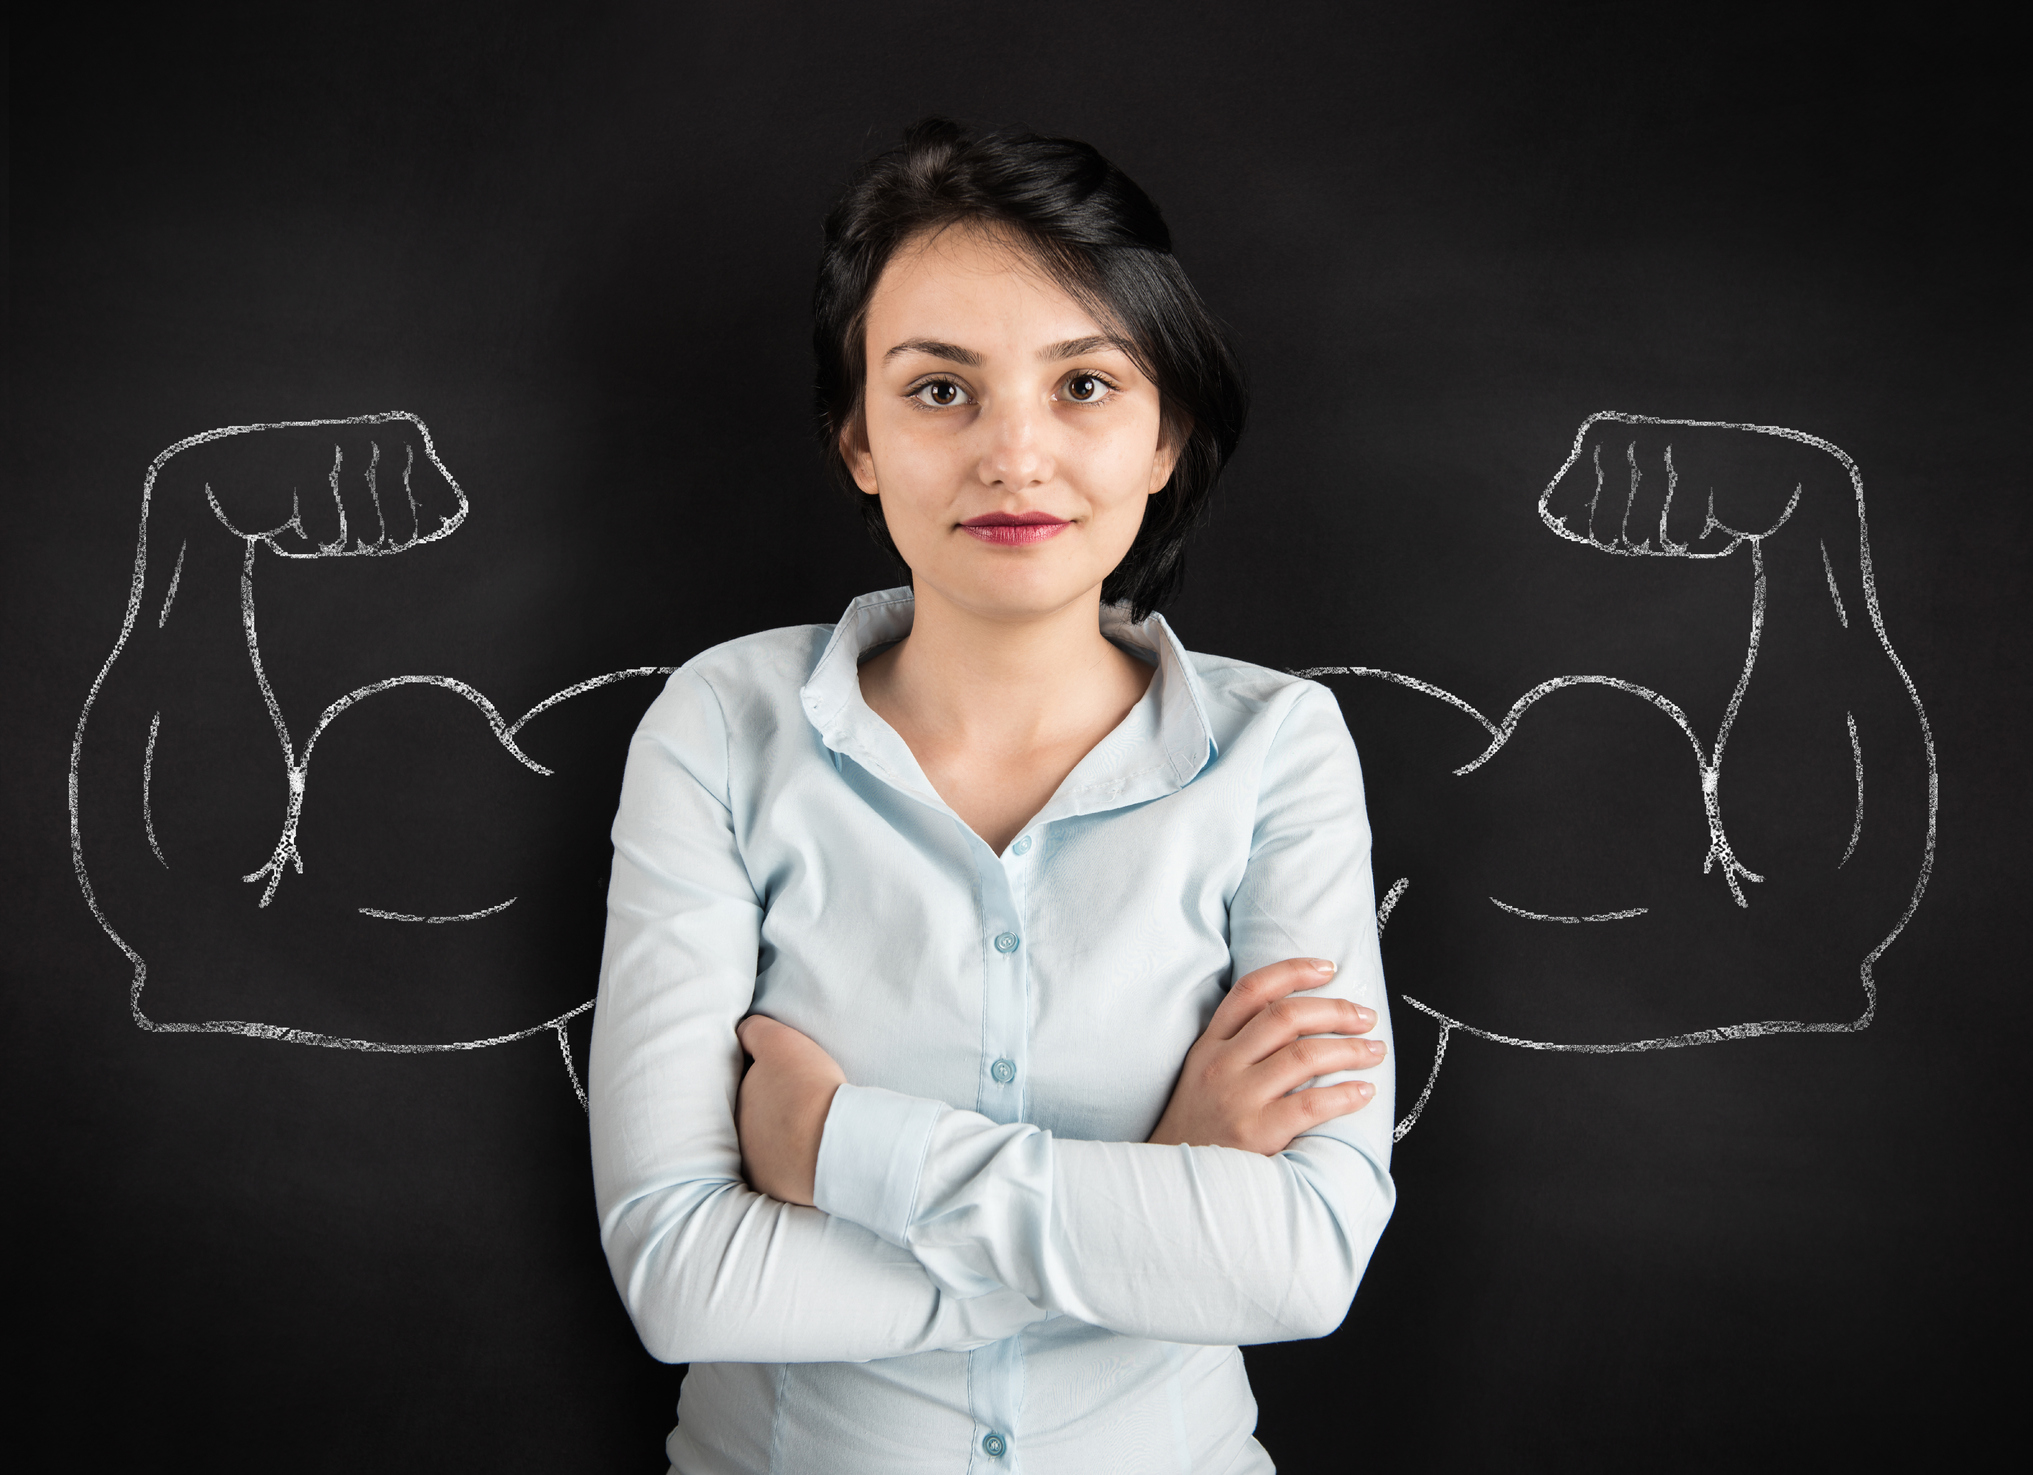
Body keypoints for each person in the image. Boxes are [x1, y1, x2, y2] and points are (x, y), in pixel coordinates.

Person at [589, 118, 1396, 1475]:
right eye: (939, 390)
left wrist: (843, 1147)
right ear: (856, 437)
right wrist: (1157, 1189)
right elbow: (681, 1277)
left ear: (1164, 436)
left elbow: (1302, 1264)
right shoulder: (721, 727)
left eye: (1084, 386)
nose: (1014, 456)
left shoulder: (1279, 748)